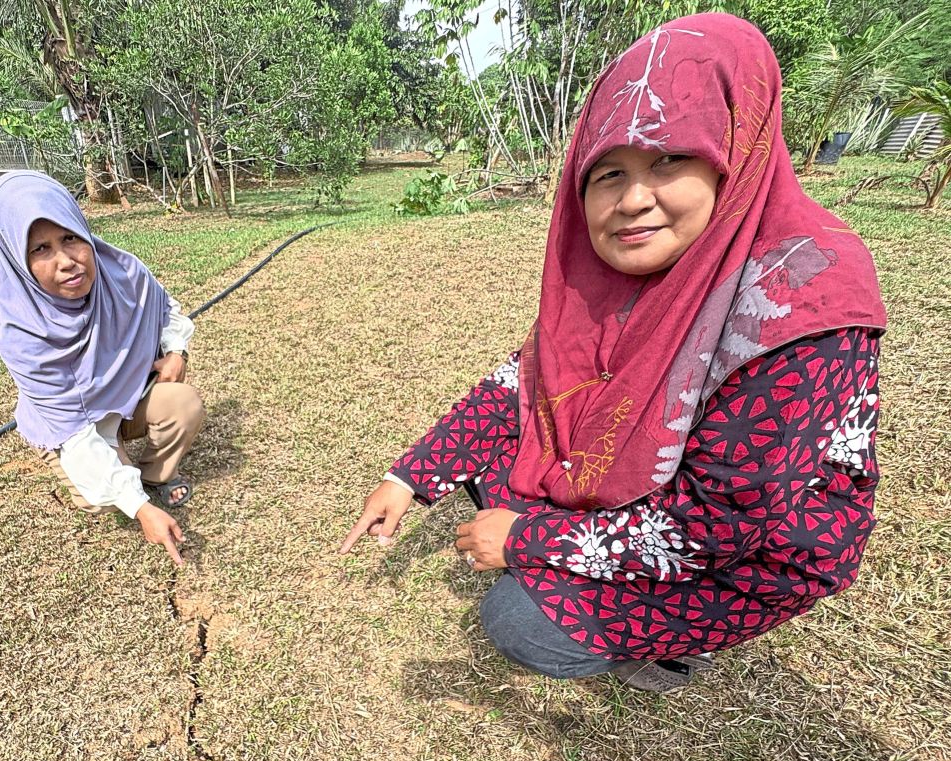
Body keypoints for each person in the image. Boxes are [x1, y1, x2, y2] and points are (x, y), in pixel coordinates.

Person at [341, 13, 887, 692]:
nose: (634, 199)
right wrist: (408, 479)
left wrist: (524, 541)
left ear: (735, 152)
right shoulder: (620, 273)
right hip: (642, 484)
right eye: (608, 172)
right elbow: (519, 388)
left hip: (750, 553)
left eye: (669, 160)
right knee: (491, 467)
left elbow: (718, 528)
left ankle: (668, 650)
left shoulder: (802, 303)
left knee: (519, 620)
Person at [0, 171, 204, 566]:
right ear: (17, 258)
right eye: (40, 249)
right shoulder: (20, 332)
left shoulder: (121, 272)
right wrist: (137, 508)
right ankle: (129, 484)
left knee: (183, 405)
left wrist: (177, 353)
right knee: (95, 497)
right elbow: (77, 434)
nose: (67, 261)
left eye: (70, 237)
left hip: (130, 396)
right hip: (74, 427)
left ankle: (152, 476)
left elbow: (166, 310)